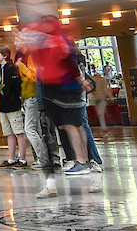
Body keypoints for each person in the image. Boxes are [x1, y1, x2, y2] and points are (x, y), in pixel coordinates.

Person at [22, 15, 99, 195]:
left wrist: (81, 82)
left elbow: (69, 64)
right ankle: (81, 163)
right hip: (56, 91)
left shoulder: (56, 41)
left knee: (70, 127)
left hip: (61, 90)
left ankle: (82, 163)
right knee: (70, 126)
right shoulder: (52, 41)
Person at [0, 45, 30, 168]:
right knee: (8, 133)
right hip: (3, 105)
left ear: (5, 55)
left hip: (13, 104)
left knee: (18, 131)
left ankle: (23, 159)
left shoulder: (10, 68)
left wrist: (14, 97)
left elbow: (16, 85)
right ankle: (11, 158)